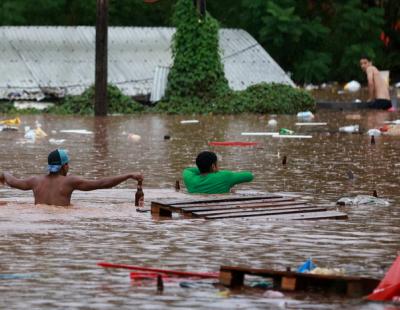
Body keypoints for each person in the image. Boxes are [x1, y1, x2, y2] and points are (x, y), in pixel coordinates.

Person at [0, 149, 143, 206]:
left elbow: (12, 182)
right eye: (67, 164)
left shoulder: (35, 181)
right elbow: (101, 183)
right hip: (62, 220)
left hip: (38, 216)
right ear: (63, 166)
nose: (69, 167)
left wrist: (4, 173)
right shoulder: (69, 181)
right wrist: (128, 175)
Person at [182, 151, 254, 194]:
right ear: (213, 166)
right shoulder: (224, 176)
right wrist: (217, 172)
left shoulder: (190, 180)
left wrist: (202, 168)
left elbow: (188, 170)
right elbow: (250, 176)